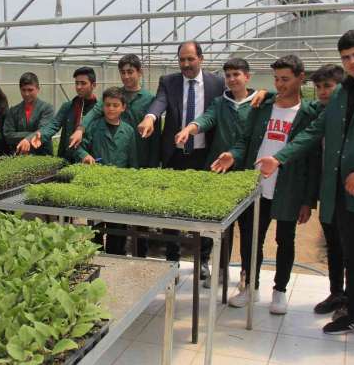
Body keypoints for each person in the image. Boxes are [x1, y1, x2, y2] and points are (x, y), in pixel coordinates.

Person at [257, 30, 354, 354]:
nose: (352, 62)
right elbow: (316, 130)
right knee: (353, 257)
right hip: (346, 192)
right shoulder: (343, 92)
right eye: (346, 57)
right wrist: (280, 158)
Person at [213, 55, 319, 315]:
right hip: (256, 186)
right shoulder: (262, 106)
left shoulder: (308, 113)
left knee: (285, 240)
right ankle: (251, 287)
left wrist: (308, 200)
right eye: (276, 79)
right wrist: (233, 154)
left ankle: (280, 291)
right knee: (250, 239)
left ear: (300, 78)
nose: (280, 84)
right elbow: (245, 140)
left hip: (288, 188)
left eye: (285, 79)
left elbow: (312, 160)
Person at [135, 41, 225, 277]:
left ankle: (203, 259)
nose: (185, 64)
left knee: (204, 208)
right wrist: (151, 117)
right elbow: (160, 102)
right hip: (175, 155)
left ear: (201, 59)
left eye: (190, 59)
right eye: (182, 59)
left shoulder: (217, 83)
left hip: (204, 156)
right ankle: (172, 258)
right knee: (171, 209)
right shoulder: (169, 81)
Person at [175, 57, 258, 288]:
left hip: (249, 171)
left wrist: (265, 94)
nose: (232, 80)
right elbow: (206, 118)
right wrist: (189, 129)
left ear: (247, 77)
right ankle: (221, 270)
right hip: (221, 172)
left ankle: (248, 276)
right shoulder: (221, 102)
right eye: (228, 76)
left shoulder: (259, 101)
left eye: (236, 75)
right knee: (221, 227)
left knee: (249, 228)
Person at [307, 64, 349, 319]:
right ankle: (336, 293)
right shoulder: (319, 112)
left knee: (351, 247)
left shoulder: (349, 114)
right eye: (318, 87)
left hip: (349, 191)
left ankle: (351, 300)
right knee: (333, 243)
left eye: (328, 86)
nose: (322, 92)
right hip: (329, 189)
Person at [75, 87, 138, 255]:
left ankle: (116, 255)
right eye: (108, 105)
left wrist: (133, 183)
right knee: (95, 225)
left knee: (117, 226)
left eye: (115, 105)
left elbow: (133, 161)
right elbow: (78, 148)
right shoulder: (94, 127)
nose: (111, 108)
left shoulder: (129, 131)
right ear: (102, 106)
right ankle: (96, 256)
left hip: (120, 185)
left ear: (123, 108)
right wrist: (85, 155)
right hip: (96, 183)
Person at [30, 67, 98, 162]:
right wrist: (40, 136)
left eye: (83, 83)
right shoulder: (68, 106)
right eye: (77, 83)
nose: (78, 87)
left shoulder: (98, 110)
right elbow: (54, 125)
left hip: (90, 159)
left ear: (93, 85)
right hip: (67, 158)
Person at [5, 72, 55, 155]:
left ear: (38, 89)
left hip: (43, 155)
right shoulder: (13, 111)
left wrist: (27, 139)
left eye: (30, 90)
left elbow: (43, 131)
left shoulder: (47, 109)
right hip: (20, 156)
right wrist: (31, 134)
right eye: (23, 90)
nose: (26, 94)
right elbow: (8, 135)